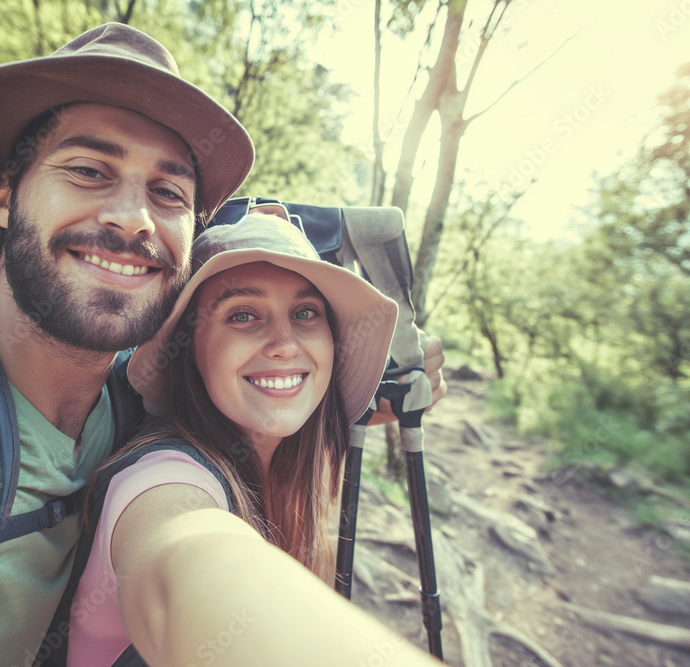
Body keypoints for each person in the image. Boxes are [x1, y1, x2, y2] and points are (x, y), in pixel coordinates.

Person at [0, 22, 444, 667]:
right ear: (6, 198)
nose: (133, 218)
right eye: (90, 170)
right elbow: (182, 565)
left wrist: (372, 390)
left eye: (168, 191)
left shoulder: (123, 394)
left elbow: (247, 390)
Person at [67, 214, 442, 667]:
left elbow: (331, 416)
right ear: (189, 350)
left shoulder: (292, 449)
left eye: (306, 313)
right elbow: (187, 558)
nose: (285, 344)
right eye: (242, 315)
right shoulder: (164, 479)